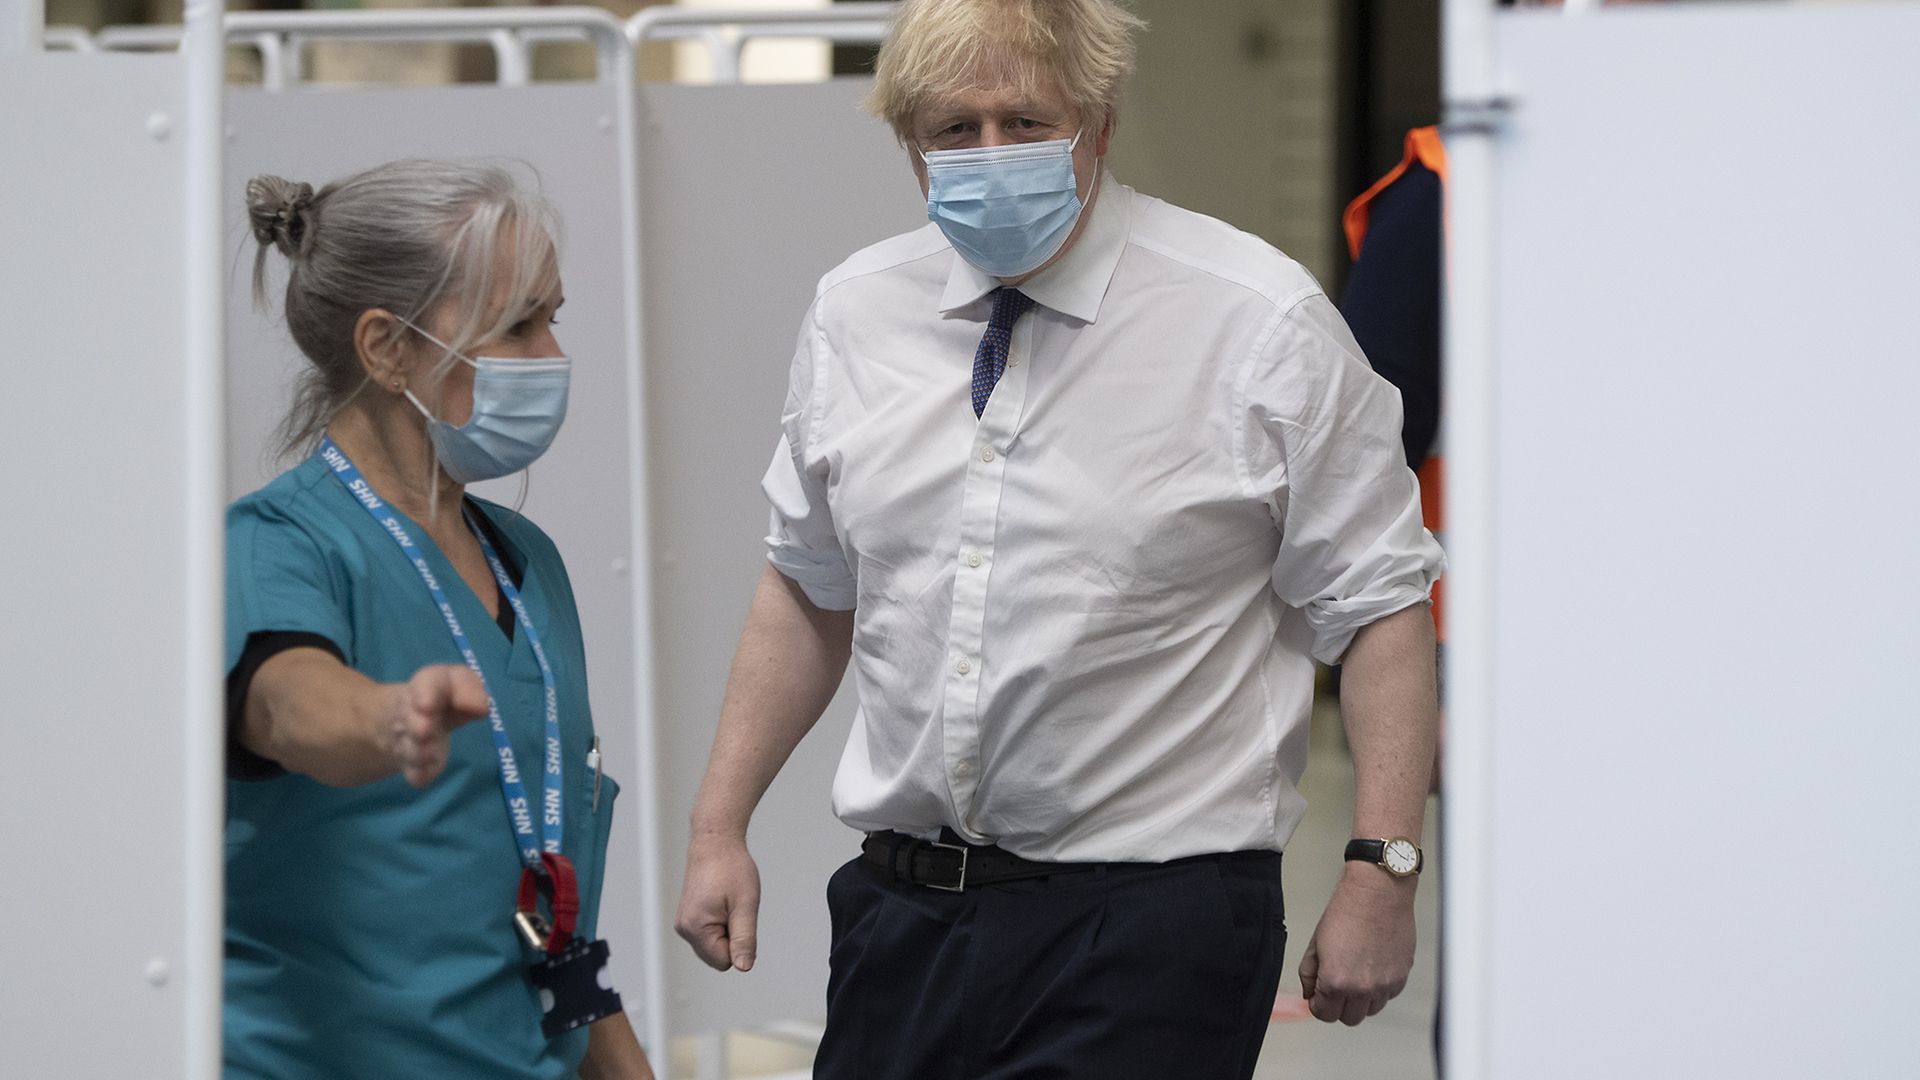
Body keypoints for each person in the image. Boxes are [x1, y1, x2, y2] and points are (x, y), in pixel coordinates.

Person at [674, 1, 1443, 1077]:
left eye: (1026, 121)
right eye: (953, 130)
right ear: (909, 145)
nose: (991, 154)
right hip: (906, 912)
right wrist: (721, 823)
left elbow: (1380, 612)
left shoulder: (1254, 322)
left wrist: (1381, 868)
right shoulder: (856, 314)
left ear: (1100, 124)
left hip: (1149, 924)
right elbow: (808, 588)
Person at [225, 160, 653, 1080]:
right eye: (515, 328)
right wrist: (385, 719)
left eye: (554, 318)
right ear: (385, 349)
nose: (552, 357)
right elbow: (288, 704)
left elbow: (547, 900)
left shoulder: (525, 563)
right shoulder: (279, 544)